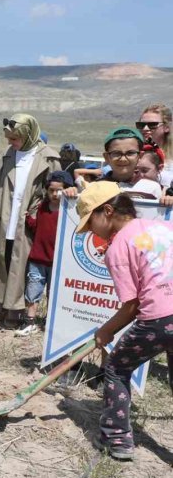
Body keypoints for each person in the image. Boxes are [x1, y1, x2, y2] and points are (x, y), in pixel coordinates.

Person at [75, 182, 173, 461]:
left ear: (107, 211)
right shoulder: (163, 228)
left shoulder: (117, 248)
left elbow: (131, 306)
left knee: (117, 369)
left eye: (90, 222)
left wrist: (105, 331)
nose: (90, 231)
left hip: (160, 319)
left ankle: (116, 439)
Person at [0, 114, 60, 329]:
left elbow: (55, 189)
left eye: (15, 138)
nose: (10, 143)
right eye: (9, 138)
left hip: (29, 220)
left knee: (20, 265)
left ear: (28, 135)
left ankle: (14, 311)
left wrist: (38, 215)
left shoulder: (48, 158)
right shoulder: (7, 155)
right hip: (3, 215)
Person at [15, 170, 73, 337]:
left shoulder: (70, 210)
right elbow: (38, 228)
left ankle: (51, 321)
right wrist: (29, 220)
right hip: (38, 258)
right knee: (33, 289)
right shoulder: (42, 207)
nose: (55, 194)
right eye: (51, 190)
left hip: (58, 260)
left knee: (54, 293)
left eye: (59, 190)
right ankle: (30, 321)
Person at [96, 127, 171, 203]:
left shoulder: (152, 188)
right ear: (106, 157)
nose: (123, 159)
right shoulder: (96, 188)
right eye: (116, 153)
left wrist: (168, 202)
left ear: (140, 156)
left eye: (130, 153)